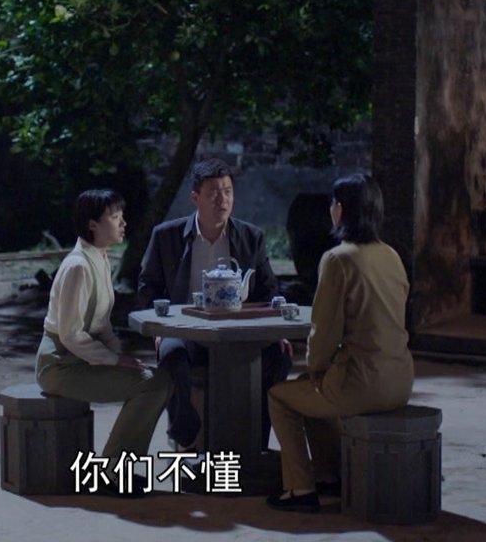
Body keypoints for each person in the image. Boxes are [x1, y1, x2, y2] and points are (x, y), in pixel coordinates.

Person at [265, 173, 414, 513]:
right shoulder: (391, 255)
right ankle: (330, 474)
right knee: (312, 387)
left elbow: (323, 332)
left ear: (341, 210)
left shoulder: (338, 259)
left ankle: (300, 488)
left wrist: (317, 368)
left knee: (281, 396)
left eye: (333, 203)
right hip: (400, 381)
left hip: (361, 384)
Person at [137, 158, 293, 451]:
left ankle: (256, 441)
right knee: (171, 354)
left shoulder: (250, 237)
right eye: (213, 193)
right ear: (195, 197)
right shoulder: (167, 236)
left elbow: (269, 289)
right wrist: (160, 331)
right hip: (185, 332)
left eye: (228, 191)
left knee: (278, 356)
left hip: (239, 334)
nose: (223, 200)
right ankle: (184, 430)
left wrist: (277, 331)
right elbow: (148, 287)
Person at [37, 189, 173, 496]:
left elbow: (101, 325)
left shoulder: (98, 258)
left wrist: (121, 357)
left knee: (157, 380)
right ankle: (112, 472)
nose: (123, 222)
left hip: (81, 359)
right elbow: (71, 334)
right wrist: (116, 361)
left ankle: (117, 468)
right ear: (92, 225)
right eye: (114, 216)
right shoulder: (77, 266)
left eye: (121, 215)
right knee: (152, 385)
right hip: (60, 365)